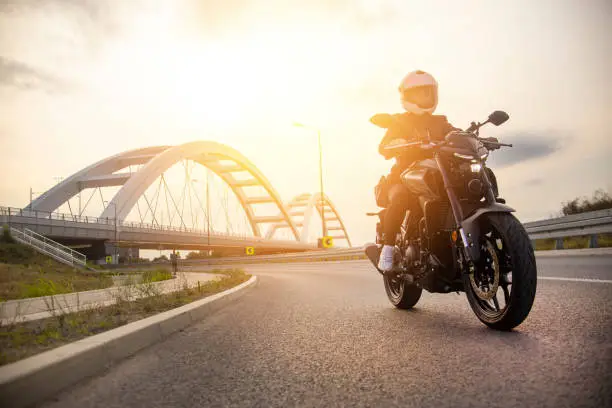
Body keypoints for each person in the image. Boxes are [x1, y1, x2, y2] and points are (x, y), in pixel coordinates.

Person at [374, 70, 458, 273]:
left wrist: (471, 139)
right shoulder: (399, 121)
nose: (426, 98)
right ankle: (388, 249)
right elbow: (383, 147)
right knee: (401, 198)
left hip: (438, 174)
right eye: (420, 94)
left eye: (428, 93)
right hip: (404, 176)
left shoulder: (440, 122)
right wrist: (397, 143)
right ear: (408, 96)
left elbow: (456, 135)